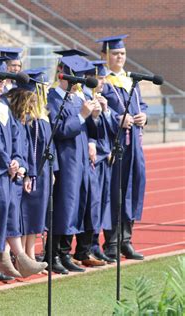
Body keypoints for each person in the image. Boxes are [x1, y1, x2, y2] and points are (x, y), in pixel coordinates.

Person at [46, 55, 99, 274]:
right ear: (61, 72)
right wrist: (82, 115)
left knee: (78, 205)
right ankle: (53, 253)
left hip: (80, 160)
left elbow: (89, 130)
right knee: (63, 206)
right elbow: (59, 131)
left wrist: (93, 121)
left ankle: (66, 253)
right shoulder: (52, 98)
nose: (76, 81)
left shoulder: (77, 99)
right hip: (65, 160)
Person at [96, 34, 147, 260]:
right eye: (115, 53)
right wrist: (118, 118)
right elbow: (102, 110)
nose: (119, 57)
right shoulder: (104, 83)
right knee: (115, 192)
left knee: (133, 189)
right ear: (104, 56)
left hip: (134, 145)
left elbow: (141, 105)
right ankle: (112, 243)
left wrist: (143, 116)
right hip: (116, 145)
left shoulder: (131, 81)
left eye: (122, 53)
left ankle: (127, 240)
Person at [7, 71, 57, 268]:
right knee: (28, 214)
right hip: (32, 171)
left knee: (37, 215)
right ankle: (25, 256)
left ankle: (31, 255)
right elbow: (28, 148)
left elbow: (49, 146)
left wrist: (53, 171)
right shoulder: (27, 119)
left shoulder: (42, 116)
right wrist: (29, 173)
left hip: (43, 171)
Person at [83, 61, 117, 264]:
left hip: (107, 158)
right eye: (100, 78)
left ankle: (96, 244)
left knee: (103, 202)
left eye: (104, 78)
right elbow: (89, 130)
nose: (102, 81)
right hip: (94, 158)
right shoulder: (87, 99)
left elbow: (113, 130)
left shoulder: (104, 100)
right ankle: (89, 247)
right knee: (93, 203)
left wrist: (105, 111)